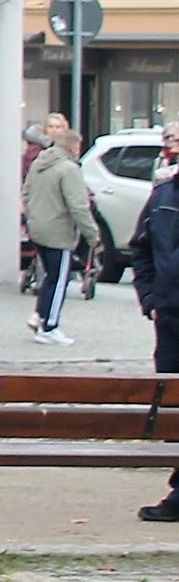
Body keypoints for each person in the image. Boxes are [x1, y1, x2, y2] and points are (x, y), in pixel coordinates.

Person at [129, 133, 179, 522]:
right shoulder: (163, 198)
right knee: (176, 410)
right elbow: (141, 250)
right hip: (171, 319)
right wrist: (151, 298)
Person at [22, 123, 97, 346]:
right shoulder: (69, 169)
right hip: (58, 231)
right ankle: (50, 326)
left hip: (38, 228)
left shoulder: (39, 164)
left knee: (49, 276)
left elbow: (26, 193)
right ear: (74, 147)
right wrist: (92, 234)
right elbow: (78, 206)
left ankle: (39, 315)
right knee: (60, 279)